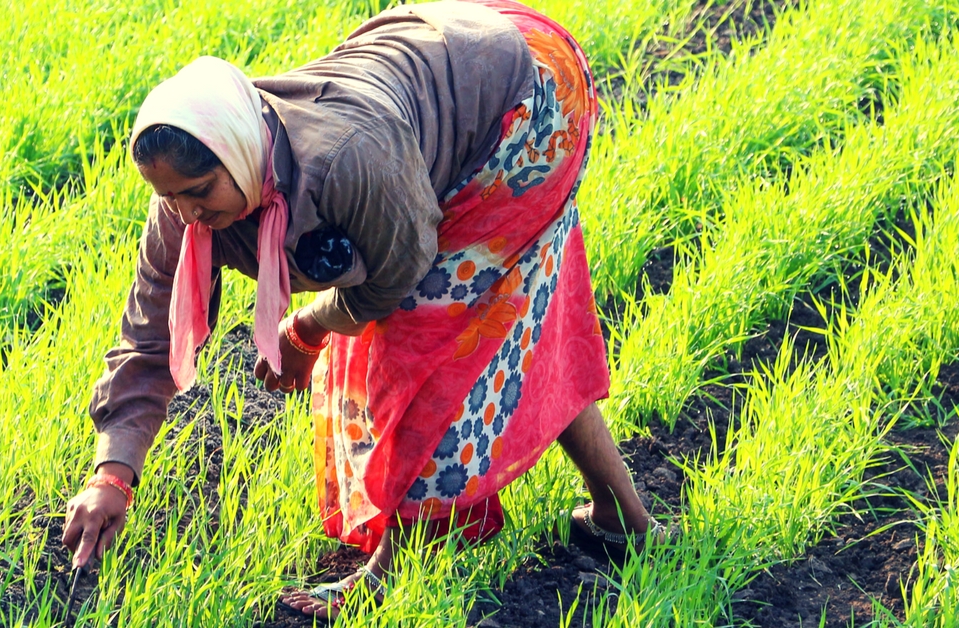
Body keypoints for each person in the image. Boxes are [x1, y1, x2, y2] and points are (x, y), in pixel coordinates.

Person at [62, 0, 662, 620]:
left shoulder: (346, 161)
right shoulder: (185, 214)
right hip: (440, 72)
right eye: (168, 197)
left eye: (198, 192)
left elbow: (397, 276)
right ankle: (620, 519)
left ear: (240, 148)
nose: (186, 214)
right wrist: (113, 476)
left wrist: (309, 327)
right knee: (508, 331)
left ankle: (390, 570)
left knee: (424, 346)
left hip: (525, 101)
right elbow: (149, 338)